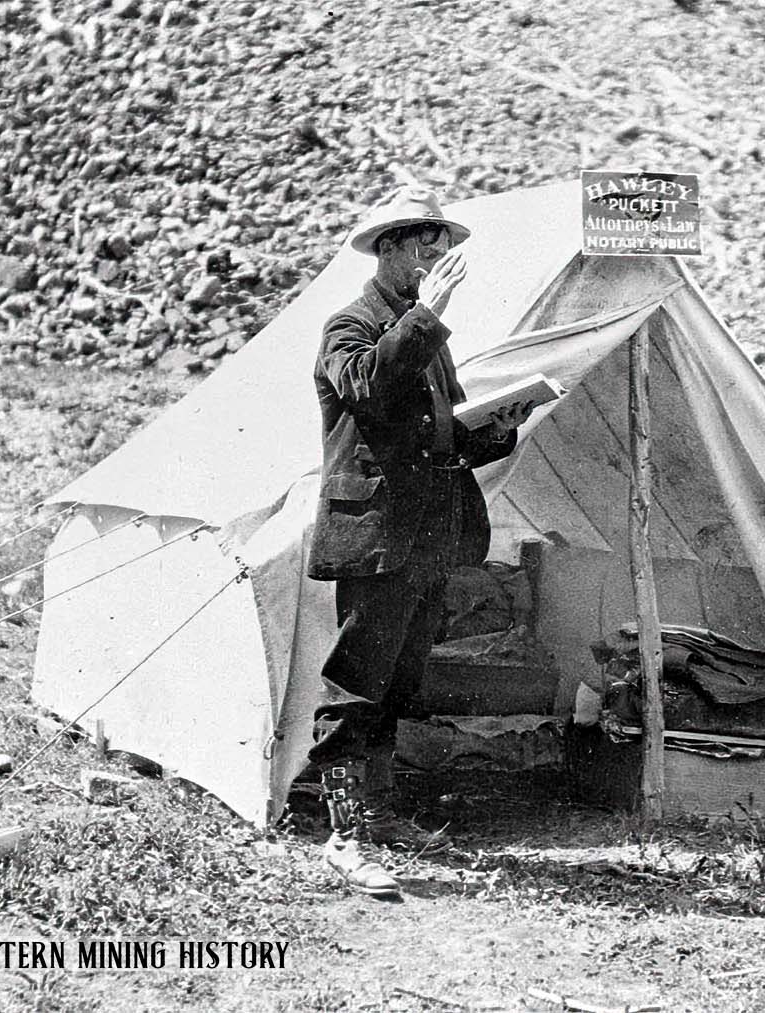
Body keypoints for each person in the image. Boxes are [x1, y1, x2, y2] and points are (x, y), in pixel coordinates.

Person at [306, 186, 534, 896]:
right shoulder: (350, 326)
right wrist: (430, 315)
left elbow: (445, 435)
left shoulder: (425, 336)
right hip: (375, 537)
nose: (440, 261)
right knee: (355, 688)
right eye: (426, 248)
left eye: (443, 249)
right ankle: (343, 829)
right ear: (390, 249)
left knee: (399, 683)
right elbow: (370, 387)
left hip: (426, 538)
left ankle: (375, 811)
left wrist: (506, 420)